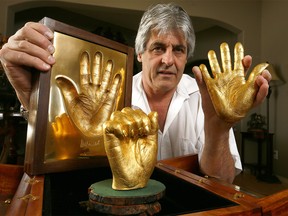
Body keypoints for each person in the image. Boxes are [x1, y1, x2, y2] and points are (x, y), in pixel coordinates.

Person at [0, 3, 271, 183]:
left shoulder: (209, 98)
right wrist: (29, 95)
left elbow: (223, 181)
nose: (168, 59)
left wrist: (220, 127)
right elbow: (61, 160)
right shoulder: (110, 95)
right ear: (139, 53)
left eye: (178, 49)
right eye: (158, 48)